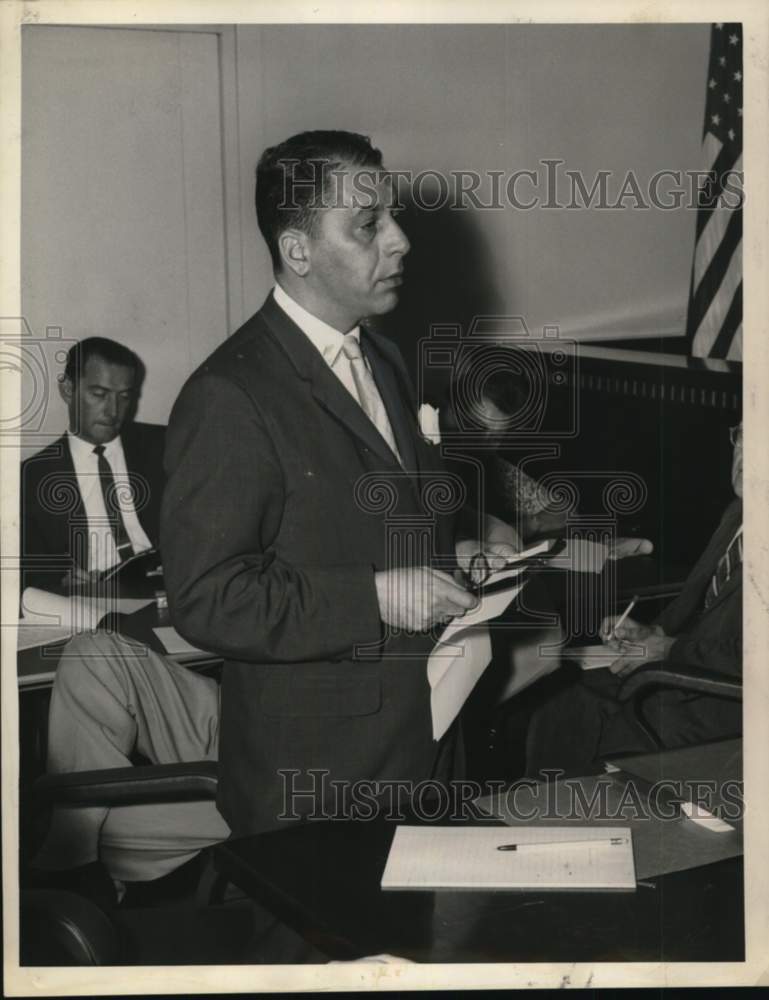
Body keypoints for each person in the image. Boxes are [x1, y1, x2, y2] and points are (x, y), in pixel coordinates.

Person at [160, 130, 513, 839]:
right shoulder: (230, 394)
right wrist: (375, 597)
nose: (401, 240)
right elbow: (207, 599)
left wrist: (456, 553)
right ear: (298, 251)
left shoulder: (382, 356)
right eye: (368, 225)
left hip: (428, 740)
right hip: (320, 778)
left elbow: (373, 518)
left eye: (392, 216)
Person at [525, 422, 743, 777]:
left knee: (585, 713)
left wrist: (669, 649)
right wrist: (650, 633)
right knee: (556, 693)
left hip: (727, 704)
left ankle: (562, 805)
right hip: (687, 674)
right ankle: (544, 805)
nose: (746, 457)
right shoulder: (738, 513)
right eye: (743, 438)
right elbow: (701, 612)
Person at [20, 338, 165, 595]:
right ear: (67, 390)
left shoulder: (165, 445)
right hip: (93, 598)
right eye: (99, 394)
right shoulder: (31, 476)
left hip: (166, 586)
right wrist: (62, 583)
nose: (113, 411)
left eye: (124, 396)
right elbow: (29, 572)